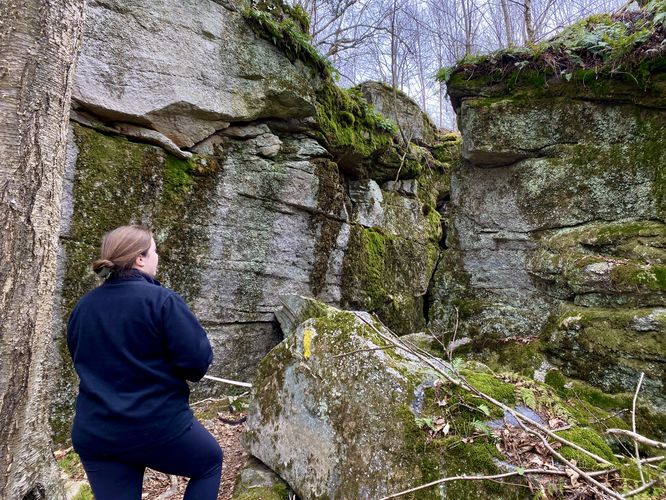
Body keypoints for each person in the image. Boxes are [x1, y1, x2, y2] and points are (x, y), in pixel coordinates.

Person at [67, 225, 222, 500]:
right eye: (154, 250)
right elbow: (196, 364)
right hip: (155, 426)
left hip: (97, 432)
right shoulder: (162, 301)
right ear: (140, 258)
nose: (157, 256)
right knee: (209, 463)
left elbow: (81, 357)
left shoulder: (83, 307)